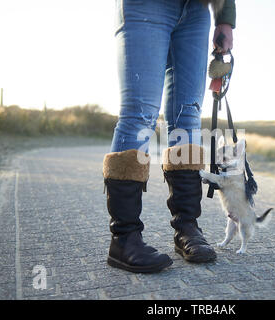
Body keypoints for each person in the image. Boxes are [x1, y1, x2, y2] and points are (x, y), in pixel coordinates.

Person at [102, 0, 236, 273]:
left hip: (197, 11)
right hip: (145, 6)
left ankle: (187, 226)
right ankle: (124, 238)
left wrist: (225, 18)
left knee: (187, 118)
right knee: (139, 114)